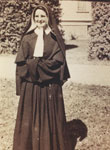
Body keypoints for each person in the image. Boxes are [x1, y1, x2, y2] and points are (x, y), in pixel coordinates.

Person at [13, 3, 71, 150]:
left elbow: (57, 63)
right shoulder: (27, 38)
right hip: (31, 87)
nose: (39, 19)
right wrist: (37, 66)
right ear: (33, 18)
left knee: (49, 119)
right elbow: (21, 64)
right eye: (37, 16)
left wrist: (34, 64)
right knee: (29, 117)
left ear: (48, 17)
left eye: (42, 16)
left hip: (49, 87)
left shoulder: (54, 38)